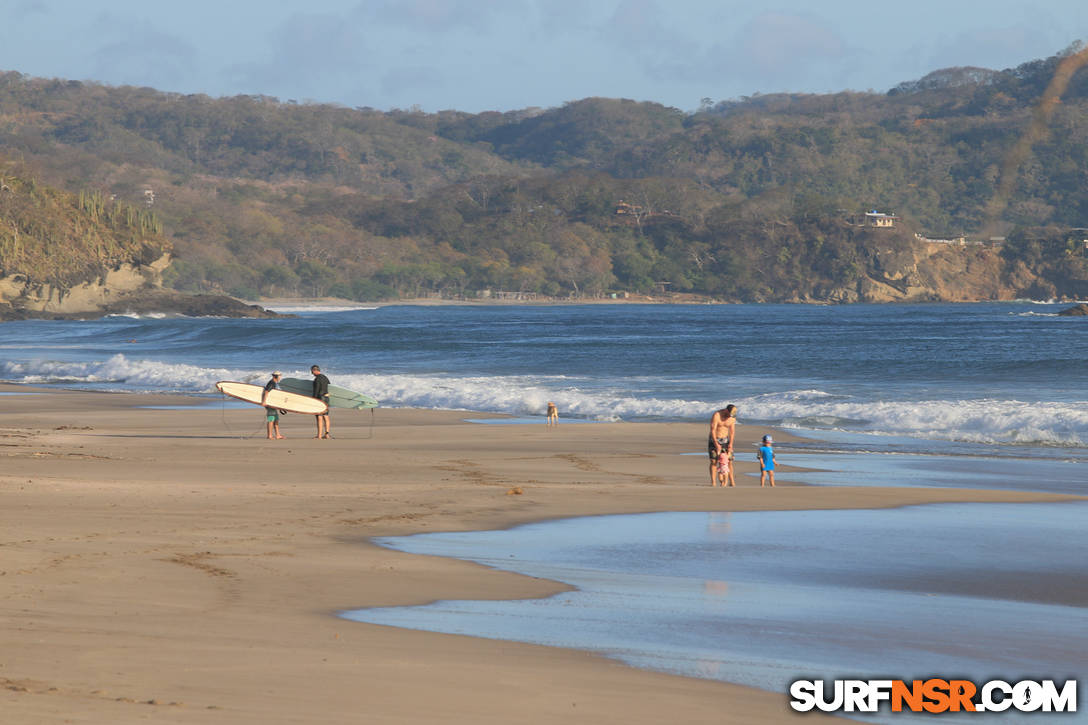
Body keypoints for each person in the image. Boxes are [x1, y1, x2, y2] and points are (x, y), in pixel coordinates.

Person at [707, 404, 737, 487]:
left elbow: (732, 432)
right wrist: (716, 444)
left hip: (725, 440)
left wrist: (731, 444)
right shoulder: (717, 415)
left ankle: (732, 482)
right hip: (714, 439)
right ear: (726, 410)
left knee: (729, 461)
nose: (729, 417)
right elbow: (712, 430)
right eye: (729, 415)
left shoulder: (732, 418)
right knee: (714, 461)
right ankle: (713, 482)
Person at [260, 371, 285, 440]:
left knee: (276, 419)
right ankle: (269, 435)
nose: (280, 377)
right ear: (275, 376)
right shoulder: (271, 383)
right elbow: (266, 391)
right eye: (279, 376)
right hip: (269, 404)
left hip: (273, 404)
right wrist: (264, 402)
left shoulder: (274, 383)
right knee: (271, 419)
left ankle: (278, 435)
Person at [311, 365, 332, 439]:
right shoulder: (325, 377)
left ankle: (319, 435)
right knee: (326, 416)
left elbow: (316, 390)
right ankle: (327, 434)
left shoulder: (317, 379)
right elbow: (329, 385)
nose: (312, 373)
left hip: (320, 398)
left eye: (312, 371)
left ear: (314, 371)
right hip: (326, 398)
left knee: (319, 417)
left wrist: (313, 399)